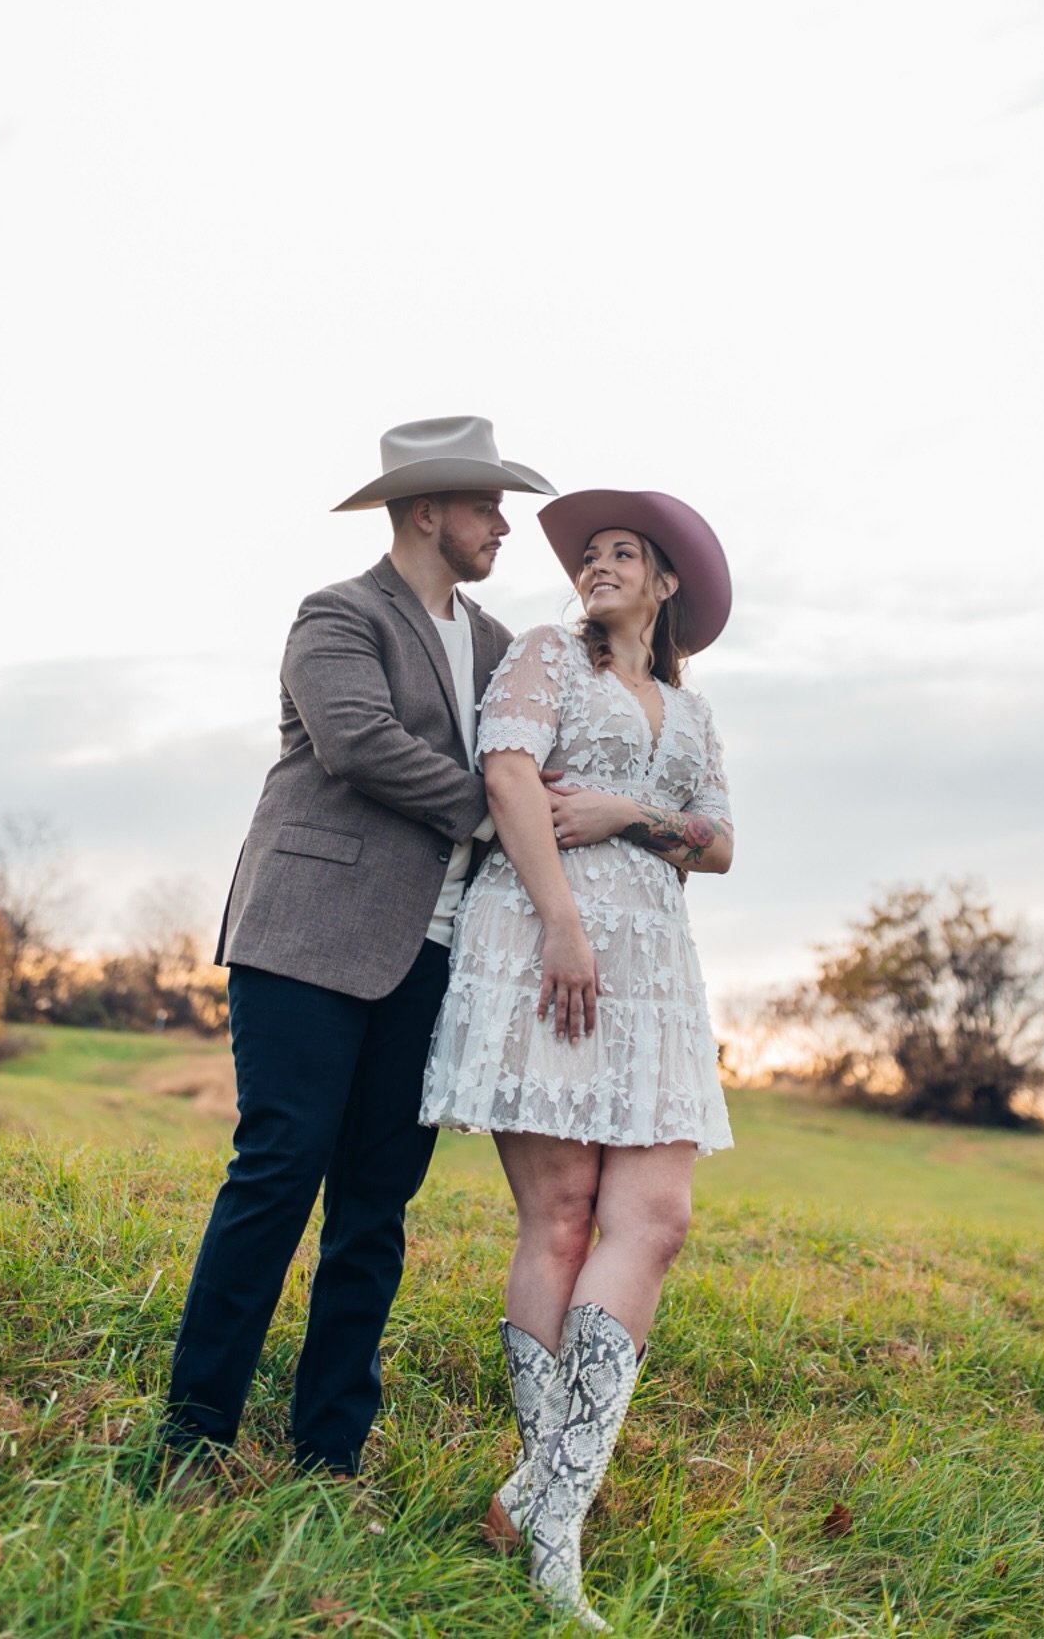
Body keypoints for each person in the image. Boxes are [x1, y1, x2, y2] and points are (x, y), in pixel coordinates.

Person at [162, 415, 556, 1486]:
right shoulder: (336, 616)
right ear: (428, 509)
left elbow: (540, 767)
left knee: (376, 1207)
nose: (504, 526)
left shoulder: (501, 648)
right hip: (309, 937)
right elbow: (360, 744)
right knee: (279, 1172)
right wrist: (500, 813)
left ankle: (325, 1455)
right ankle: (191, 1440)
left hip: (435, 960)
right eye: (487, 505)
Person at [420, 488, 735, 1629]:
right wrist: (561, 920)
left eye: (624, 554)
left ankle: (541, 1497)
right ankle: (557, 1533)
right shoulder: (548, 654)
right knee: (558, 1218)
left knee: (654, 1219)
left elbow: (722, 842)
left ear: (665, 587)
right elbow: (509, 778)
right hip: (542, 943)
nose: (599, 565)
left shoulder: (694, 719)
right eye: (589, 553)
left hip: (657, 978)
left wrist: (630, 814)